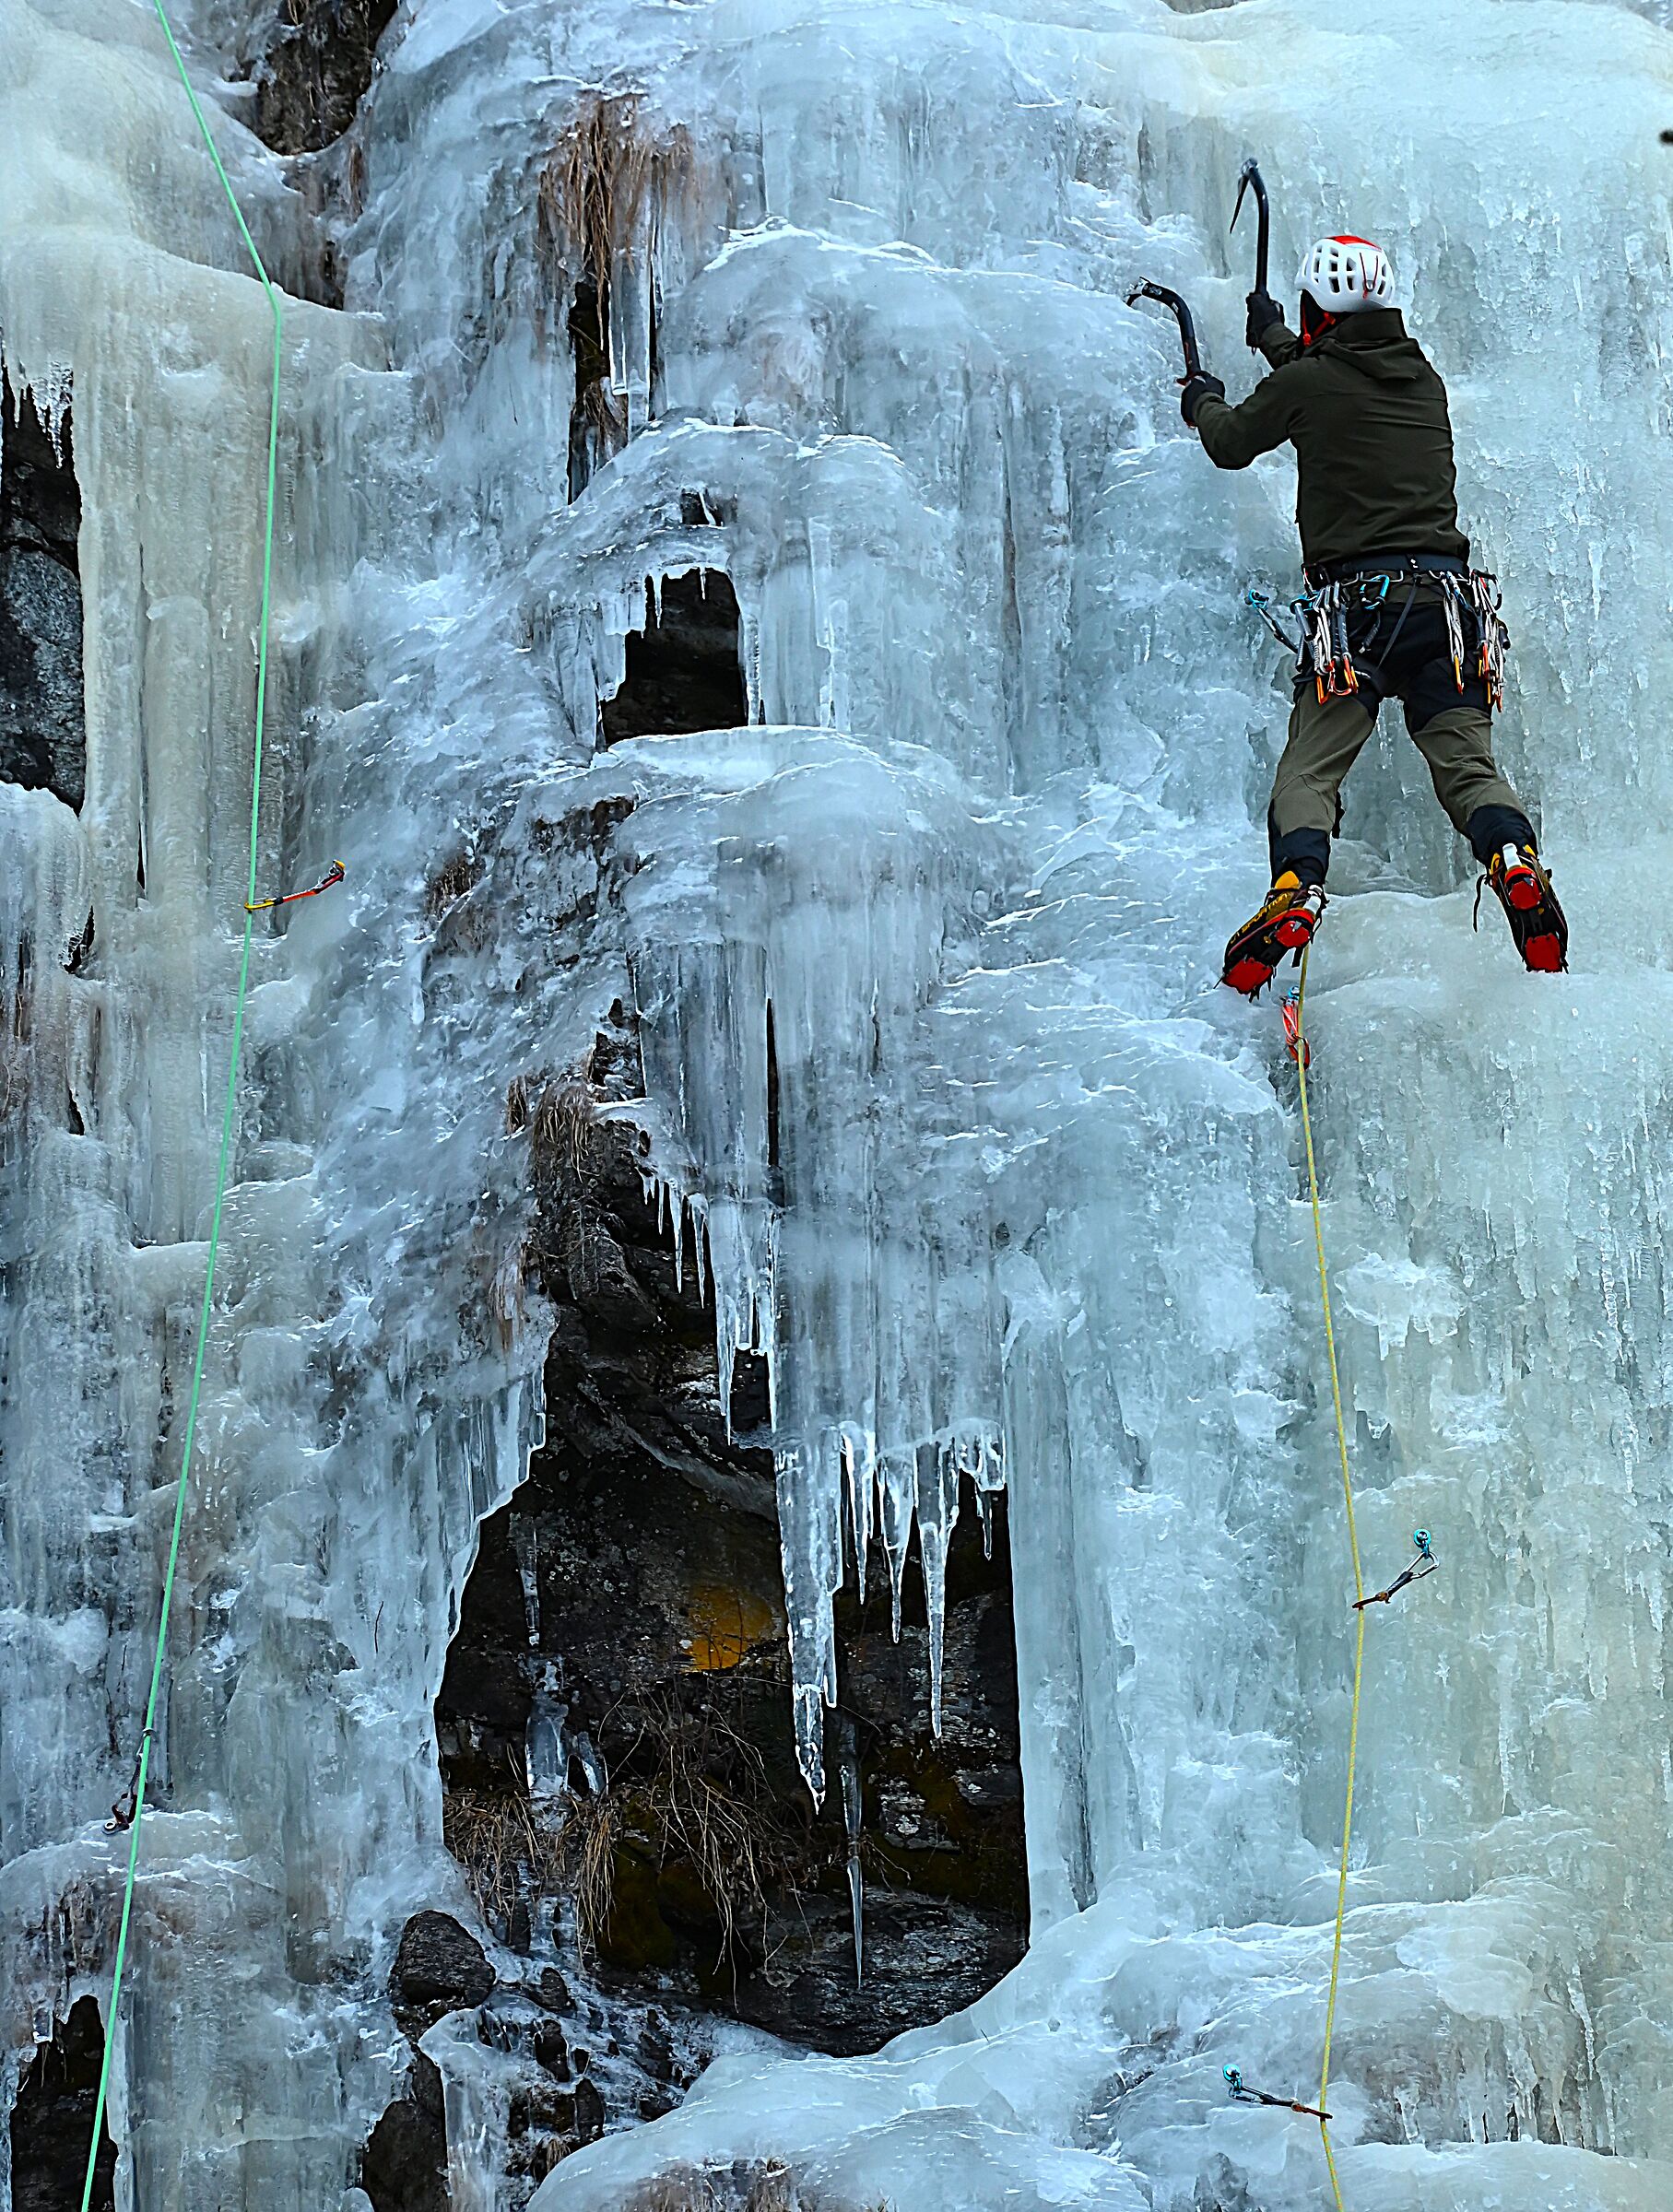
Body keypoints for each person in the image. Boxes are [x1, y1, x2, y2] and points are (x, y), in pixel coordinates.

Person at [1177, 235, 1568, 994]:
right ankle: (1511, 857)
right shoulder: (1421, 379)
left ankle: (1295, 886)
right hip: (1447, 613)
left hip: (1357, 617)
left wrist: (1202, 398)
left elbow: (1230, 442)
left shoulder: (1312, 384)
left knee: (1310, 770)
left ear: (1317, 310)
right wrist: (1270, 338)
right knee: (1466, 767)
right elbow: (1326, 378)